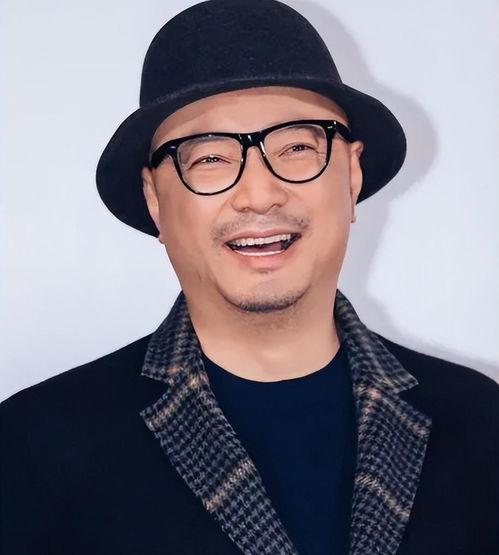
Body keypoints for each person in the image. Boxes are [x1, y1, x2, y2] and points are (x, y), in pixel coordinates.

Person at [1, 1, 497, 554]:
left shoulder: (481, 420)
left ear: (352, 174)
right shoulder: (36, 445)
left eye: (298, 147)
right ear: (154, 198)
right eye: (209, 159)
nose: (260, 195)